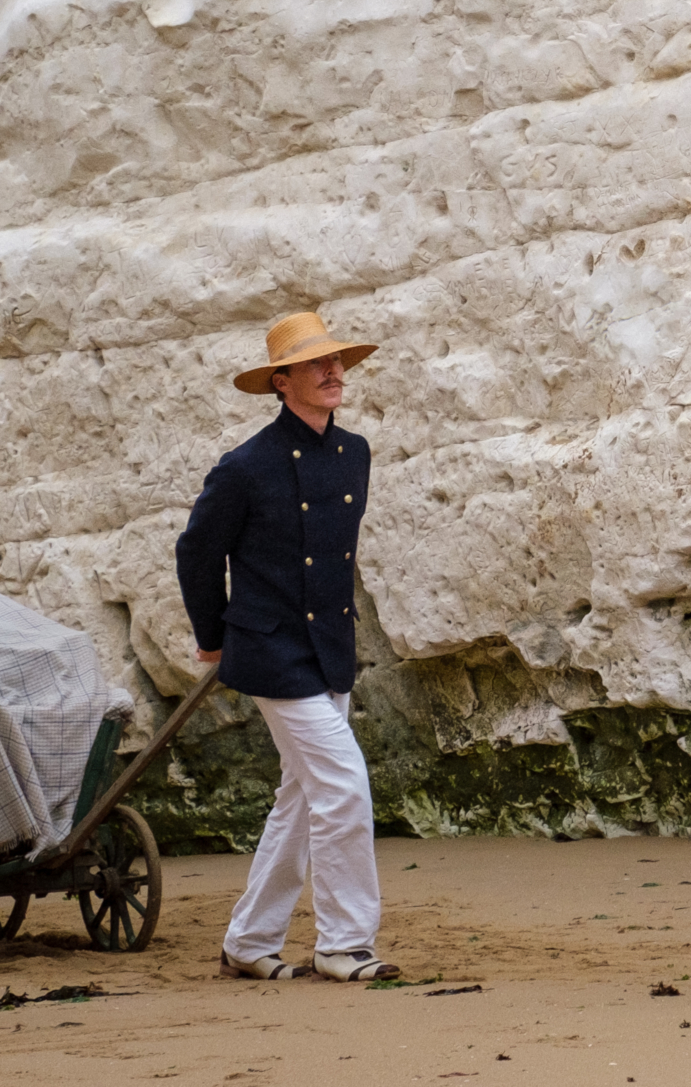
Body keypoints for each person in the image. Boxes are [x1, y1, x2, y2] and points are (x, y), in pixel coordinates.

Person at [175, 310, 400, 983]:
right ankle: (344, 943)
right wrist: (213, 636)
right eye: (314, 364)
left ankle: (248, 941)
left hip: (329, 645)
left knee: (301, 798)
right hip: (272, 654)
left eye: (336, 361)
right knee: (342, 783)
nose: (333, 372)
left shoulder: (355, 451)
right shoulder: (244, 467)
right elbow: (196, 551)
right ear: (281, 381)